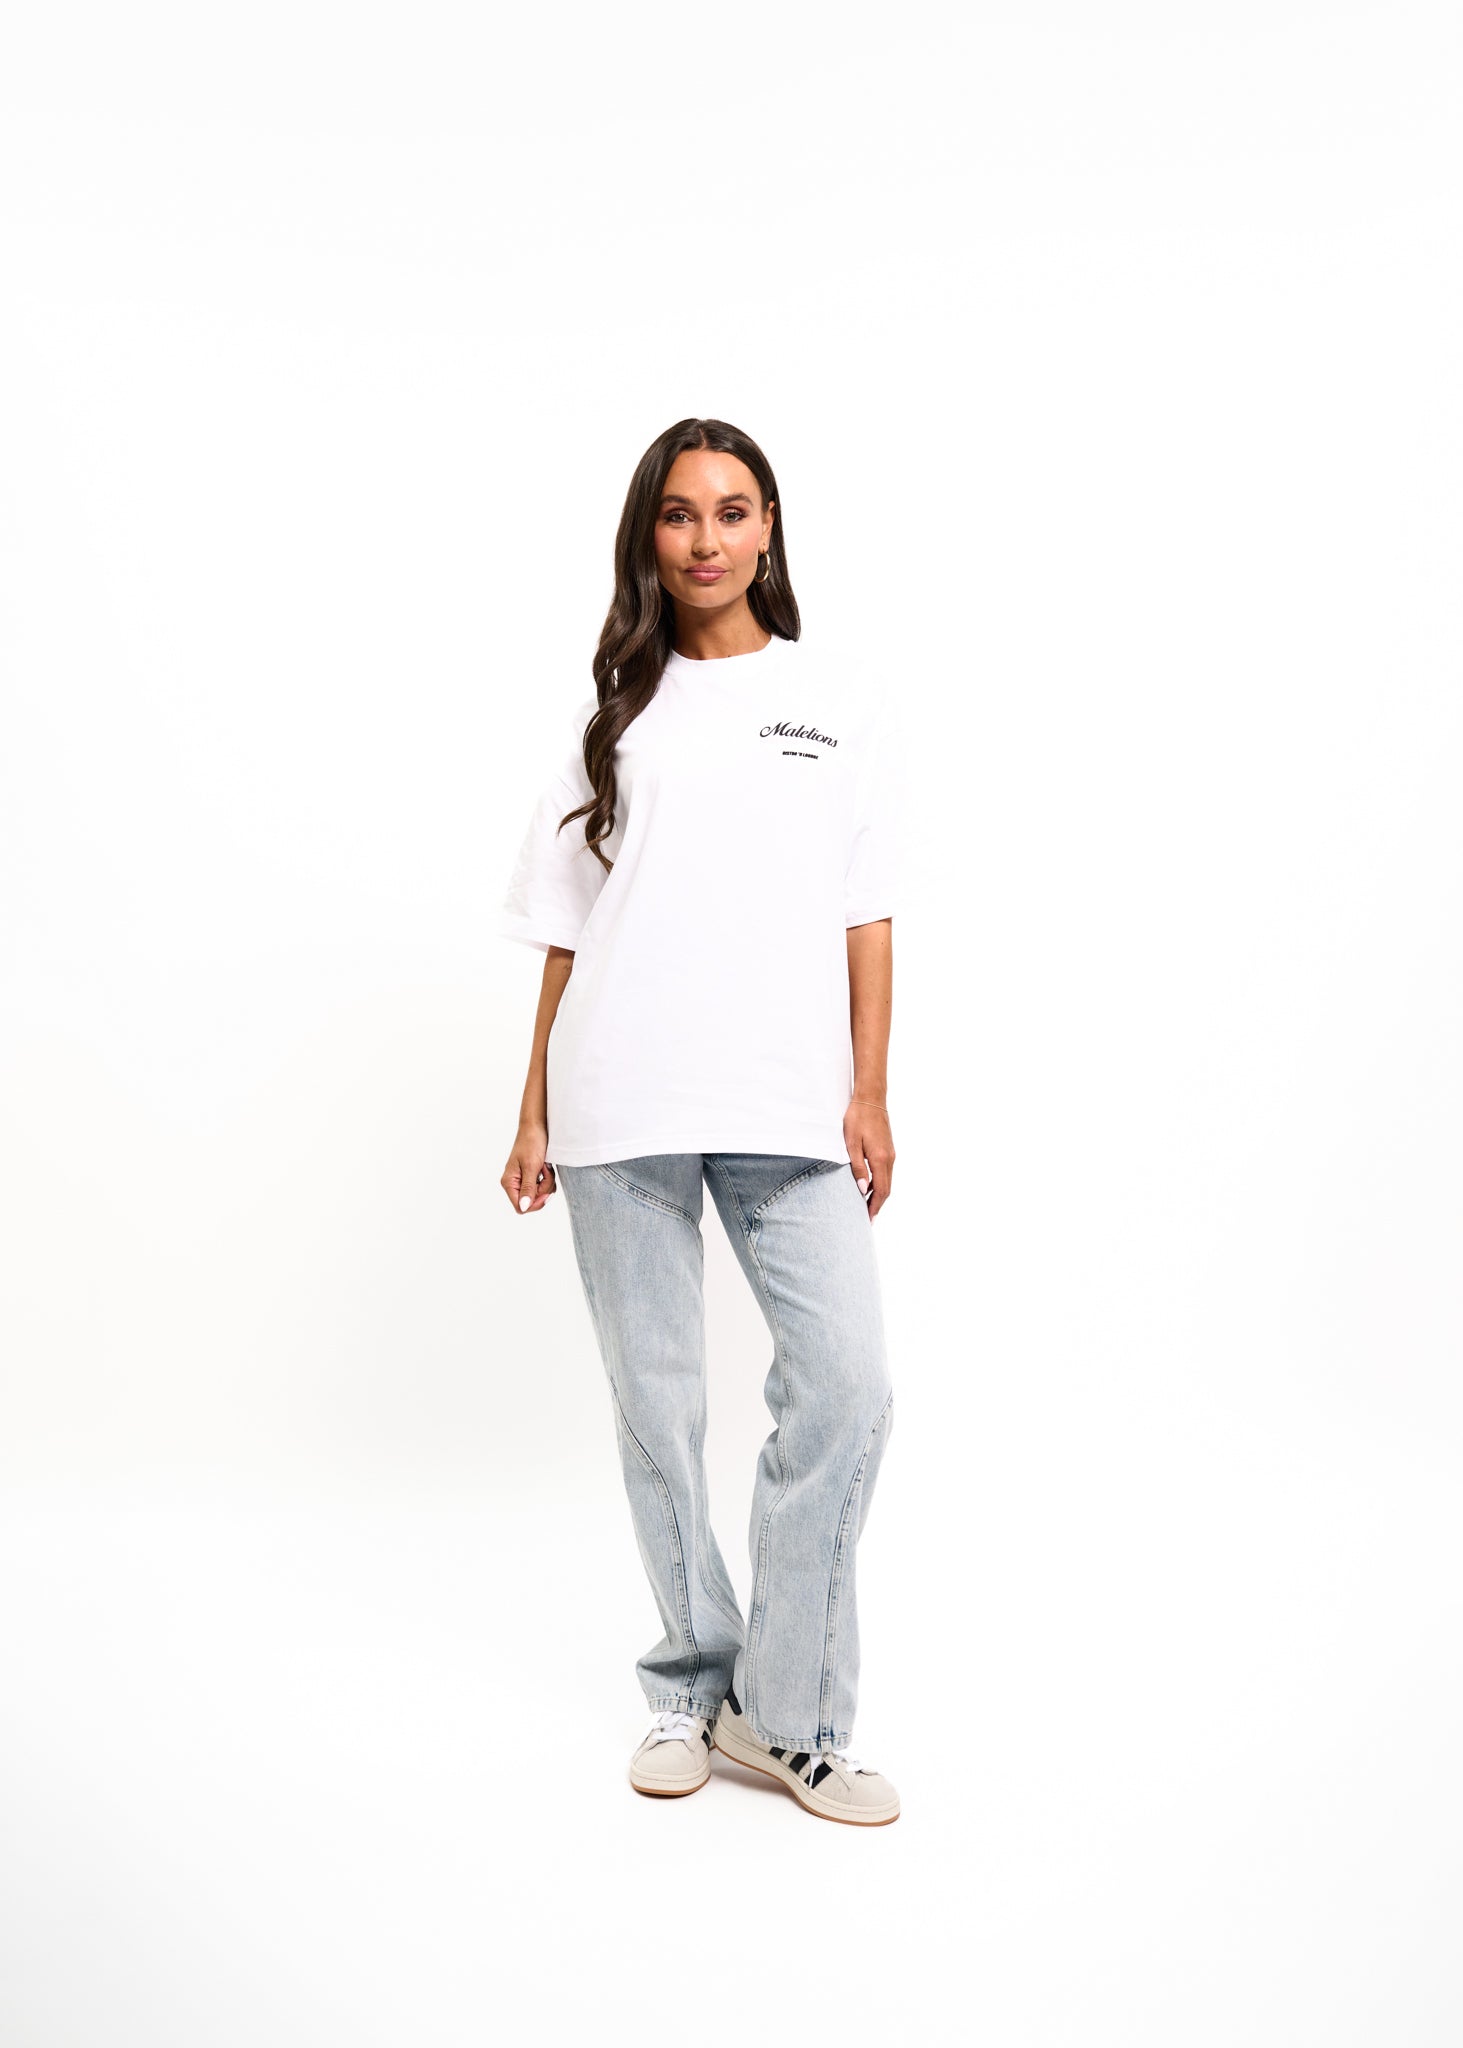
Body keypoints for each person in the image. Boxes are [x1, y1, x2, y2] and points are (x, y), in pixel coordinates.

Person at [497, 418, 906, 1827]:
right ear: (650, 537)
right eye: (680, 514)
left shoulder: (831, 702)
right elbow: (567, 929)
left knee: (849, 1388)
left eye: (733, 511)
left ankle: (784, 1715)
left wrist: (870, 1089)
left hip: (789, 1103)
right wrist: (532, 1109)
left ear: (769, 528)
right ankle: (689, 1680)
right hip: (620, 1101)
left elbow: (868, 910)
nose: (707, 538)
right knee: (658, 1409)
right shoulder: (614, 718)